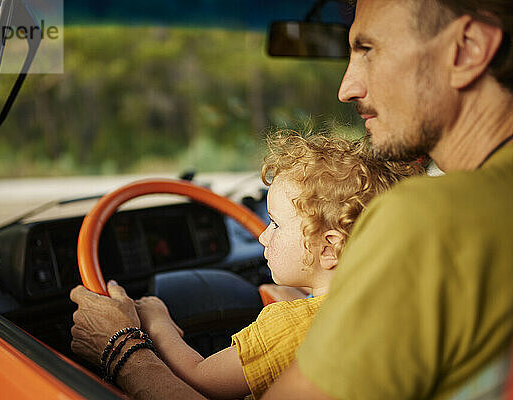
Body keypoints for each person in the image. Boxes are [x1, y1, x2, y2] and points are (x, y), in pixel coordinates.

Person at [70, 0, 513, 398]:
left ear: (468, 48)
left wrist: (123, 346)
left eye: (368, 50)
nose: (347, 87)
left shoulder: (426, 217)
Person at [131, 134, 418, 400]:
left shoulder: (290, 326)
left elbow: (200, 380)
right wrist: (304, 297)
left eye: (276, 223)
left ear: (329, 247)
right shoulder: (397, 303)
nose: (263, 235)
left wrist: (156, 322)